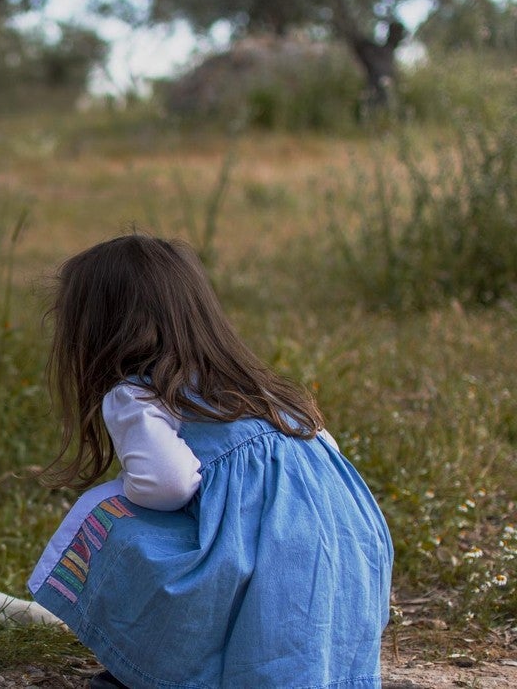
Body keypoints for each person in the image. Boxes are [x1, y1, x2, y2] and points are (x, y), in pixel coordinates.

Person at [27, 234, 393, 688]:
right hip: (349, 559)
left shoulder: (138, 395)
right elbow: (328, 464)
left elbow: (168, 485)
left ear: (97, 329)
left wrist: (124, 490)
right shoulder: (263, 391)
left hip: (263, 570)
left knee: (107, 515)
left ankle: (159, 667)